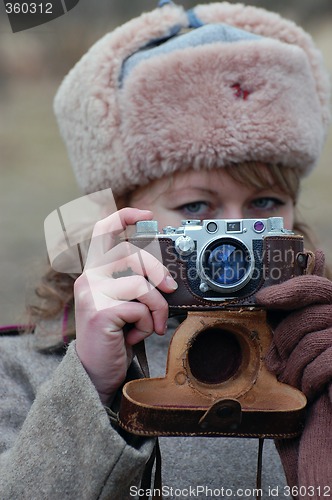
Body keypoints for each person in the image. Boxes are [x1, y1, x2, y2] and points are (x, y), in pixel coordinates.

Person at [1, 2, 331, 499]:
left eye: (265, 204)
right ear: (120, 219)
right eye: (196, 208)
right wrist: (92, 387)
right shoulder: (24, 368)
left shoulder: (318, 354)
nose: (231, 237)